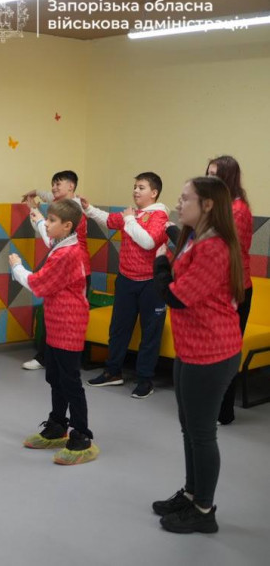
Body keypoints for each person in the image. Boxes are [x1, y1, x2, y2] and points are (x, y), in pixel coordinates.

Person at [152, 176, 243, 534]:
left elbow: (177, 296)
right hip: (191, 348)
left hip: (213, 352)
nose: (179, 202)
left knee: (202, 433)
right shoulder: (195, 238)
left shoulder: (214, 247)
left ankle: (204, 510)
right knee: (189, 427)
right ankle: (191, 494)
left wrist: (161, 265)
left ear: (207, 205)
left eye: (185, 198)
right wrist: (167, 257)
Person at [10, 199, 97, 465]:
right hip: (56, 322)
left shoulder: (66, 254)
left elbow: (38, 284)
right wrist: (36, 216)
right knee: (55, 377)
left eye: (51, 221)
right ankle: (58, 425)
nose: (46, 225)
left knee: (70, 381)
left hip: (69, 325)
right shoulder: (62, 244)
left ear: (67, 226)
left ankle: (81, 436)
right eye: (46, 219)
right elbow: (47, 237)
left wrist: (17, 267)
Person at [82, 172, 168, 399]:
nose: (136, 191)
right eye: (135, 187)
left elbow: (148, 241)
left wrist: (129, 219)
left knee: (150, 333)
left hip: (151, 283)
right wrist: (89, 209)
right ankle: (112, 372)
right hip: (126, 280)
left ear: (154, 193)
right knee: (119, 329)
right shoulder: (134, 213)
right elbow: (110, 220)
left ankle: (145, 380)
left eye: (141, 187)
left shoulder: (159, 216)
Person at [20, 170, 91, 370]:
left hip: (76, 272)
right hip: (67, 270)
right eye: (52, 184)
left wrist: (36, 213)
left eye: (58, 184)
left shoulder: (75, 212)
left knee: (67, 321)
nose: (53, 188)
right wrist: (36, 193)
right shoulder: (64, 205)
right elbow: (48, 197)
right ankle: (48, 359)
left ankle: (58, 361)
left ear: (71, 186)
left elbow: (49, 239)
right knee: (51, 314)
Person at [207, 156, 252, 425]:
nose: (209, 179)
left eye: (215, 175)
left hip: (235, 289)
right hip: (217, 288)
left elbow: (225, 249)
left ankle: (223, 411)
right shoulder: (219, 206)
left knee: (225, 353)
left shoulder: (237, 210)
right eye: (207, 174)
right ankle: (214, 407)